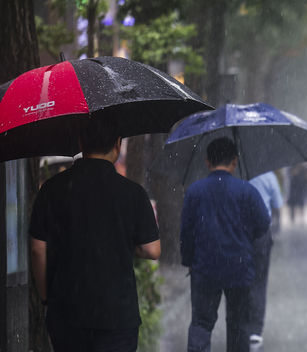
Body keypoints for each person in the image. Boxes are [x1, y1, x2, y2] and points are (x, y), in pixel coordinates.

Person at [29, 119, 161, 352]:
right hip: (117, 317)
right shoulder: (133, 193)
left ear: (80, 142)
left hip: (66, 313)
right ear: (118, 145)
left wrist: (46, 299)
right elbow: (152, 250)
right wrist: (118, 241)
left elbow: (38, 248)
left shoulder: (52, 189)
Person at [180, 137, 270, 352]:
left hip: (204, 268)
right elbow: (263, 224)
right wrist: (245, 240)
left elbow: (186, 232)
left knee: (201, 323)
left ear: (207, 162)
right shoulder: (247, 191)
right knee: (239, 325)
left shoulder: (195, 191)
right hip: (239, 267)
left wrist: (188, 260)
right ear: (235, 162)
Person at [247, 170, 284, 349]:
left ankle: (242, 324)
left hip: (238, 235)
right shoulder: (269, 177)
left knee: (241, 281)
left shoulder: (235, 177)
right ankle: (255, 329)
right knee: (259, 282)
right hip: (262, 234)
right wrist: (276, 230)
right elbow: (277, 205)